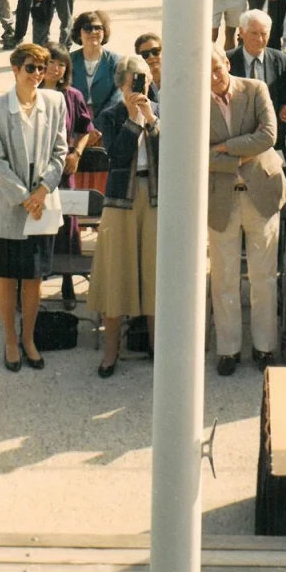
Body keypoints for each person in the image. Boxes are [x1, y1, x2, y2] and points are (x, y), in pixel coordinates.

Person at [0, 43, 69, 373]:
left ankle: (29, 338)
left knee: (33, 277)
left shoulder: (55, 102)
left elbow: (60, 152)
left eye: (41, 68)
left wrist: (43, 190)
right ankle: (9, 339)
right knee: (6, 276)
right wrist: (25, 197)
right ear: (15, 70)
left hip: (42, 202)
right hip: (10, 204)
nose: (36, 74)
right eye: (30, 68)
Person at [204, 45, 286, 373]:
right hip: (221, 199)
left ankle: (265, 347)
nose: (212, 78)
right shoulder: (194, 101)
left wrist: (223, 149)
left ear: (227, 62)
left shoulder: (255, 89)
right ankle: (228, 349)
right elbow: (194, 152)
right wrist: (239, 155)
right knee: (223, 276)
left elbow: (268, 135)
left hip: (261, 195)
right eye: (205, 72)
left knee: (263, 276)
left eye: (217, 69)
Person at [91, 45, 160, 377]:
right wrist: (133, 121)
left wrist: (151, 121)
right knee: (118, 274)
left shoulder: (160, 111)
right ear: (122, 83)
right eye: (134, 81)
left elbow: (171, 153)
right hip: (121, 201)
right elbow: (117, 155)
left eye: (144, 80)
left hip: (156, 197)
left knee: (154, 274)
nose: (140, 87)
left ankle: (157, 349)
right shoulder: (110, 114)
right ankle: (110, 353)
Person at [228, 8, 286, 198]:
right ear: (241, 32)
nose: (259, 39)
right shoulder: (228, 60)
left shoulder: (281, 61)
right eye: (254, 33)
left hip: (272, 144)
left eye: (264, 34)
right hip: (238, 142)